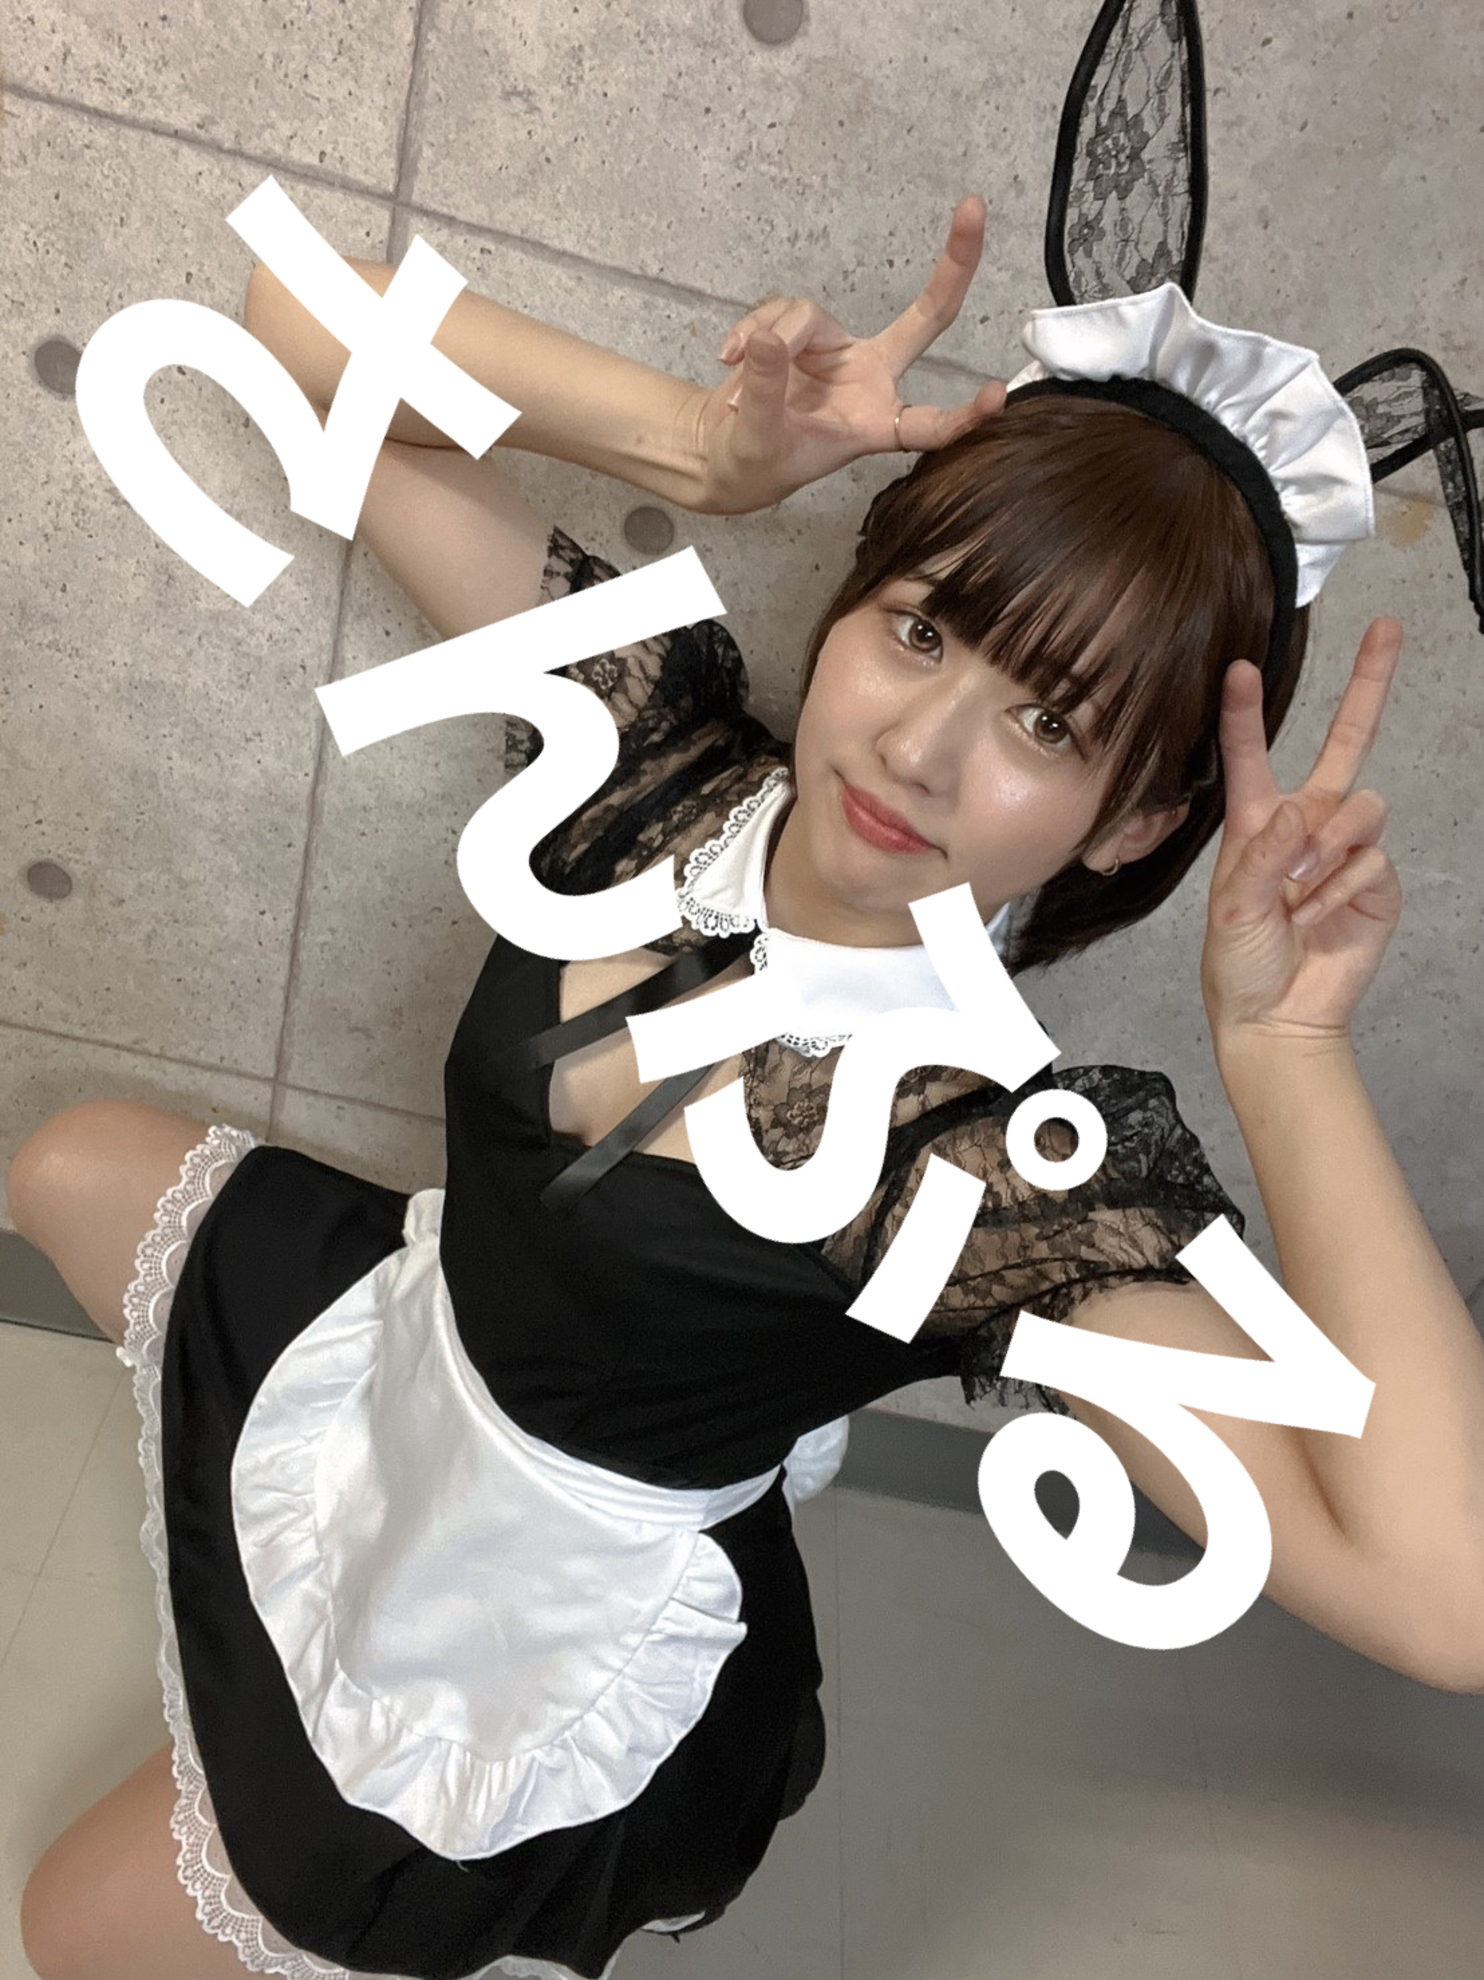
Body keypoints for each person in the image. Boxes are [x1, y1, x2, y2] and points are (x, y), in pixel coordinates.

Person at [15, 195, 1484, 1980]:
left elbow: (1445, 1594)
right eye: (923, 631)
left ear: (1139, 822)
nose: (920, 748)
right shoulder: (660, 749)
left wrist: (1290, 1048)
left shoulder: (979, 1169)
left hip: (539, 1600)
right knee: (70, 1160)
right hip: (425, 1342)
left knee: (63, 1930)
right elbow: (299, 318)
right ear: (855, 595)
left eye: (1051, 725)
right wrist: (697, 449)